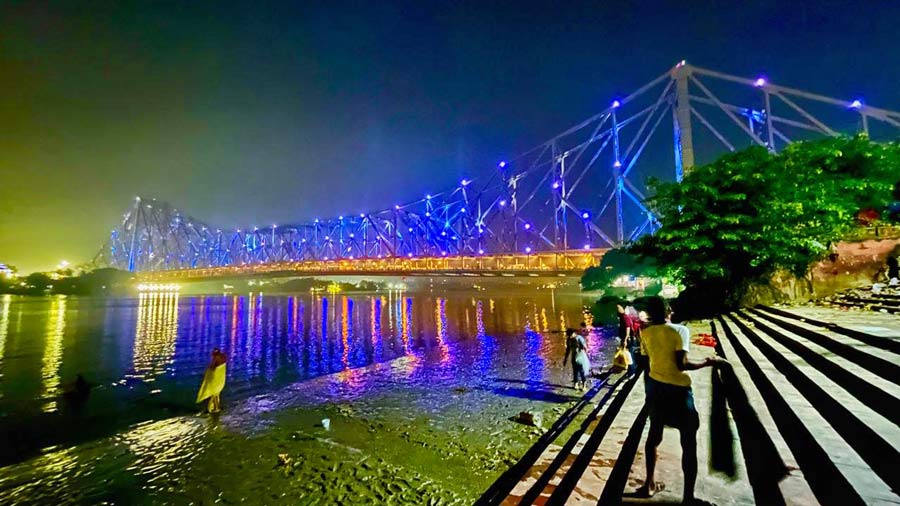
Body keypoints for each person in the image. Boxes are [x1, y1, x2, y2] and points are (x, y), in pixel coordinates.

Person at [635, 296, 727, 506]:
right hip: (678, 391)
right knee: (688, 442)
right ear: (668, 311)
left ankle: (649, 484)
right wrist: (709, 361)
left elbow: (649, 362)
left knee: (653, 438)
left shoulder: (645, 332)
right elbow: (682, 364)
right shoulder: (680, 331)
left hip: (657, 389)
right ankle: (688, 498)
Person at [196, 348, 227, 413]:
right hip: (221, 378)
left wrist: (208, 370)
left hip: (215, 378)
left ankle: (216, 408)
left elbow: (212, 368)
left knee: (214, 393)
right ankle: (217, 407)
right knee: (217, 393)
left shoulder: (216, 358)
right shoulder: (224, 357)